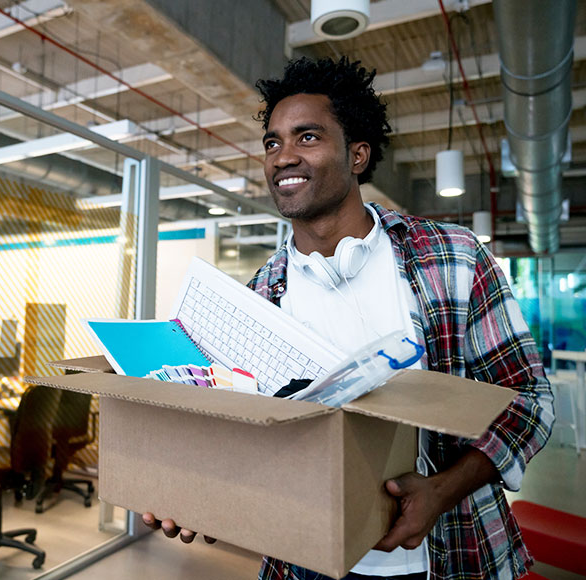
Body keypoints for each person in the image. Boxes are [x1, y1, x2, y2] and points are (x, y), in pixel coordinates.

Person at [143, 56, 554, 580]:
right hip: (302, 560)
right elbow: (241, 435)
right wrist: (194, 489)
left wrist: (440, 492)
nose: (283, 157)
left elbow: (529, 401)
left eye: (307, 137)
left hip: (450, 554)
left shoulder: (452, 258)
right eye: (272, 143)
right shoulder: (258, 297)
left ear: (357, 155)